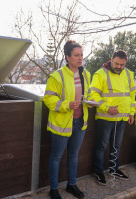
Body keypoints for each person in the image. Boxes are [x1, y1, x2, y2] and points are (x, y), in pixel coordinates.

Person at [43, 40, 91, 199]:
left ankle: (71, 185)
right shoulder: (56, 76)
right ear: (67, 57)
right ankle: (54, 189)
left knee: (73, 155)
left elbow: (88, 95)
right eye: (76, 55)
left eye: (81, 55)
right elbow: (48, 100)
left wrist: (90, 102)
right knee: (56, 157)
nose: (80, 58)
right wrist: (67, 105)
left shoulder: (86, 74)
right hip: (61, 124)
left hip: (79, 123)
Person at [89, 50, 135, 185]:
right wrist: (107, 108)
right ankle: (98, 172)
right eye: (116, 64)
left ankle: (114, 169)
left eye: (122, 65)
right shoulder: (100, 74)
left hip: (122, 118)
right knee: (101, 146)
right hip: (105, 118)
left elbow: (132, 96)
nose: (119, 67)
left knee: (116, 145)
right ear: (111, 59)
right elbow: (93, 96)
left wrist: (131, 113)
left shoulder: (128, 74)